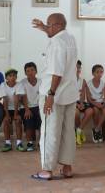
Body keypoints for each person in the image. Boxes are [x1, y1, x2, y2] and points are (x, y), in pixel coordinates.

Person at [31, 13, 78, 180]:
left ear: (58, 26)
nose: (47, 27)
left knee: (49, 131)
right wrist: (44, 28)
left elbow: (57, 72)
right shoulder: (69, 39)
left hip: (54, 95)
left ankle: (47, 170)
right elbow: (54, 33)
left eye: (49, 25)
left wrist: (50, 95)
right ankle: (67, 168)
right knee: (67, 132)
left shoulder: (57, 43)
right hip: (70, 94)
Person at [0, 69, 25, 152]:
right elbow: (4, 99)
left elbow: (17, 99)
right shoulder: (3, 85)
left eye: (14, 75)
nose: (12, 77)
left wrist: (15, 115)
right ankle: (7, 143)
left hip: (17, 108)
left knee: (18, 121)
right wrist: (6, 115)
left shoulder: (19, 84)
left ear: (16, 77)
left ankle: (19, 143)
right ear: (6, 78)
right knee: (6, 121)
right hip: (6, 108)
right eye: (10, 76)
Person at [19, 62, 42, 152]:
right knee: (28, 119)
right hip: (26, 107)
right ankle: (30, 143)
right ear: (25, 73)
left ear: (36, 71)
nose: (30, 72)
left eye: (32, 70)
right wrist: (27, 109)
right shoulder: (22, 83)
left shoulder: (41, 82)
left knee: (42, 120)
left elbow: (43, 96)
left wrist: (41, 109)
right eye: (27, 71)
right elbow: (22, 97)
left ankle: (41, 141)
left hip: (38, 106)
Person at [86, 64, 105, 143]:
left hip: (101, 102)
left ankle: (97, 128)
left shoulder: (104, 84)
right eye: (97, 72)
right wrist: (96, 104)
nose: (100, 74)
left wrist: (103, 103)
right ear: (93, 73)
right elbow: (89, 99)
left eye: (101, 72)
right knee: (95, 110)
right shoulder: (88, 84)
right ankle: (97, 130)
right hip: (93, 103)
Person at [75, 60, 93, 146]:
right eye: (76, 67)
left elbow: (82, 94)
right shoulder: (68, 80)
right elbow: (68, 95)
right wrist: (76, 105)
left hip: (80, 101)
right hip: (72, 102)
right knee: (76, 113)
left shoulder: (83, 81)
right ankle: (78, 132)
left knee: (90, 111)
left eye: (79, 67)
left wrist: (81, 103)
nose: (77, 69)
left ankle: (79, 130)